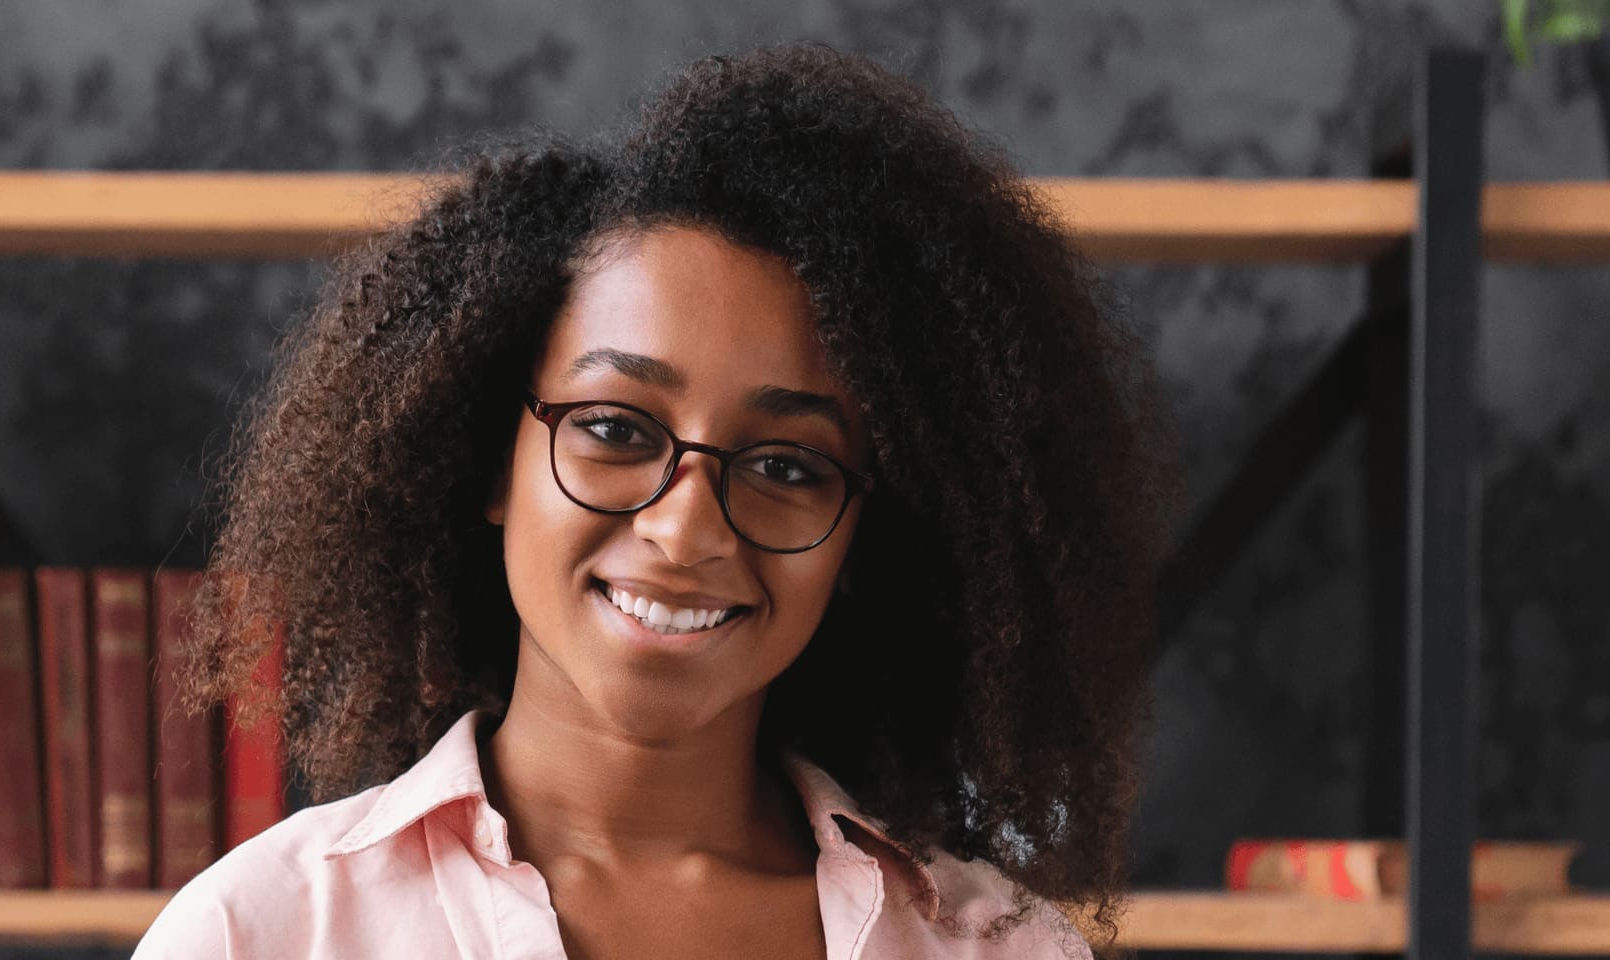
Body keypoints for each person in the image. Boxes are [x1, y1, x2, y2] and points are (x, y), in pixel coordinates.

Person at [134, 42, 1175, 960]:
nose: (684, 528)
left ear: (864, 534)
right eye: (616, 431)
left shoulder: (998, 954)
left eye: (786, 466)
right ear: (489, 460)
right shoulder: (258, 935)